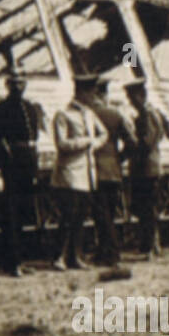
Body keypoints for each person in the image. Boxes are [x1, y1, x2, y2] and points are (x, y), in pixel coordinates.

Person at [0, 69, 40, 277]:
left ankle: (21, 260)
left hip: (27, 166)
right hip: (10, 166)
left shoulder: (31, 109)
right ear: (7, 85)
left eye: (22, 83)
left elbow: (34, 142)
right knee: (10, 215)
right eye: (14, 83)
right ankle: (11, 262)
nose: (18, 87)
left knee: (24, 213)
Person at [49, 73, 107, 270]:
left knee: (80, 217)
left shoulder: (90, 114)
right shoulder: (63, 115)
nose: (94, 97)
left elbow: (103, 133)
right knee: (67, 217)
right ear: (81, 92)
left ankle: (75, 256)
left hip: (86, 174)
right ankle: (58, 257)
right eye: (91, 92)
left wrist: (95, 145)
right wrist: (86, 142)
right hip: (69, 175)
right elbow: (61, 144)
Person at [86, 78, 135, 266]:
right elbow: (132, 142)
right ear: (105, 94)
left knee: (100, 215)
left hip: (94, 170)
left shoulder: (89, 114)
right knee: (110, 214)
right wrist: (118, 158)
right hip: (113, 171)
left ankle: (110, 253)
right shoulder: (115, 114)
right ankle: (105, 252)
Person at [125, 80, 167, 260]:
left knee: (146, 209)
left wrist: (130, 148)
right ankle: (153, 245)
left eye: (132, 97)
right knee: (149, 208)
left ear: (141, 96)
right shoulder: (154, 113)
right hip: (152, 166)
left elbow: (146, 142)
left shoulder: (145, 115)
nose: (130, 101)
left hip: (145, 168)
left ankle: (149, 247)